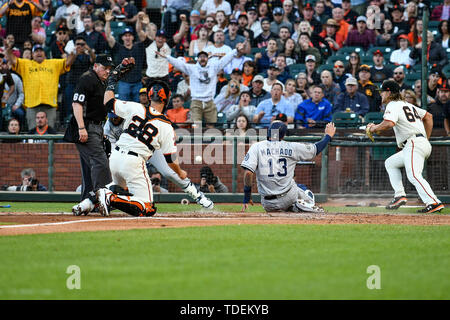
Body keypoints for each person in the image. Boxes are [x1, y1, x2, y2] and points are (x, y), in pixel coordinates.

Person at [366, 80, 444, 214]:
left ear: (389, 92)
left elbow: (389, 123)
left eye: (383, 92)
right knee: (390, 163)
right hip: (418, 143)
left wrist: (373, 128)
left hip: (413, 143)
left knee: (414, 175)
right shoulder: (407, 105)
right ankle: (399, 195)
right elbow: (428, 117)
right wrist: (425, 138)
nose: (381, 95)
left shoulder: (392, 104)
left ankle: (433, 202)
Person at [241, 121, 336, 213]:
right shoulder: (291, 146)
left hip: (267, 204)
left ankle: (295, 206)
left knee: (293, 188)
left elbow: (248, 173)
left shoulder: (256, 147)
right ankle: (305, 206)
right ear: (283, 135)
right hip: (288, 197)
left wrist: (247, 196)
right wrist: (328, 136)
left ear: (268, 132)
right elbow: (316, 149)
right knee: (303, 189)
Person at [157, 43, 246, 128]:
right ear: (197, 59)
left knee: (211, 126)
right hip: (196, 101)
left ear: (208, 58)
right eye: (200, 57)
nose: (202, 59)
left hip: (210, 101)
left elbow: (225, 59)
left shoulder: (214, 67)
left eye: (204, 57)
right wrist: (167, 57)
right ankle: (197, 143)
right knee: (196, 125)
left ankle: (210, 143)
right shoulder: (192, 68)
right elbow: (179, 64)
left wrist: (236, 51)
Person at [69, 54, 114, 216]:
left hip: (95, 127)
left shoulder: (101, 81)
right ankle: (100, 198)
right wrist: (82, 127)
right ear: (95, 66)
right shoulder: (87, 79)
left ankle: (87, 201)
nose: (107, 71)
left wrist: (100, 131)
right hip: (85, 126)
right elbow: (76, 103)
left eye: (109, 69)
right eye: (104, 67)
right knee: (100, 162)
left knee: (89, 166)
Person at [6, 43, 76, 130]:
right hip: (32, 105)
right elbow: (13, 61)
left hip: (49, 105)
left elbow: (68, 62)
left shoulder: (53, 63)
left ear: (44, 54)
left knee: (49, 134)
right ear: (32, 55)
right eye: (36, 51)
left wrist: (74, 53)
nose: (39, 53)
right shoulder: (26, 64)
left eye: (41, 51)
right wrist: (8, 50)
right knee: (33, 134)